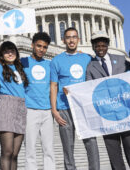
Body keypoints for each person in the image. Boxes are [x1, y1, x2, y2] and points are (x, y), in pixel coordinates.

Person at [86, 31, 130, 170]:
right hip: (107, 116)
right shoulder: (90, 66)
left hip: (125, 113)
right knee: (114, 154)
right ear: (93, 47)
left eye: (103, 45)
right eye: (97, 46)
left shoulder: (121, 59)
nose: (101, 49)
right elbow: (88, 88)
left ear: (108, 46)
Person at [50, 27, 100, 170]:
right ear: (63, 40)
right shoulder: (56, 61)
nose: (71, 40)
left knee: (91, 143)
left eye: (74, 37)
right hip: (64, 108)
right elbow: (53, 86)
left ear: (79, 39)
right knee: (68, 147)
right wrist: (54, 110)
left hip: (84, 107)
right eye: (68, 37)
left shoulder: (88, 58)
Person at [0, 20, 28, 170]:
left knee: (15, 153)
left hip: (21, 107)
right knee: (7, 151)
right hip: (6, 106)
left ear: (16, 54)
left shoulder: (21, 70)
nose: (10, 53)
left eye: (12, 51)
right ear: (2, 56)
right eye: (6, 51)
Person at [21, 32, 55, 170]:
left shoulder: (50, 64)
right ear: (32, 45)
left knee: (49, 150)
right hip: (30, 110)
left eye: (45, 47)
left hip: (47, 111)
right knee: (30, 150)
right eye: (39, 46)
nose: (41, 49)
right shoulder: (23, 62)